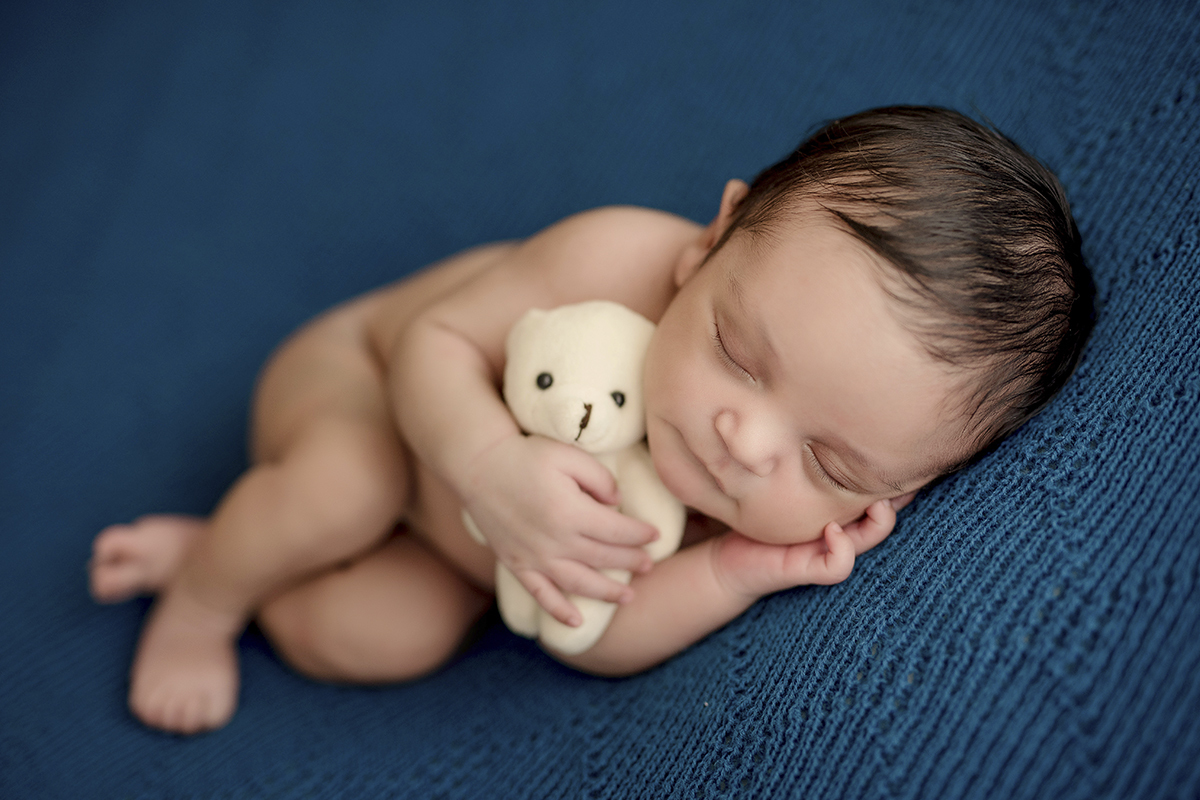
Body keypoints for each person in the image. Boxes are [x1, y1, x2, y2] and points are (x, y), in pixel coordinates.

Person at [88, 106, 1094, 735]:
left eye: (830, 460)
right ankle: (208, 599)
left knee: (373, 632)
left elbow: (591, 633)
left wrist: (733, 572)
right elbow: (429, 339)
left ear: (900, 489)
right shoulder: (613, 257)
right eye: (739, 355)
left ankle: (227, 548)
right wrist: (485, 462)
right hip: (364, 385)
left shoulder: (755, 518)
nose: (742, 440)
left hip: (451, 555)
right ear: (709, 244)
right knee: (345, 487)